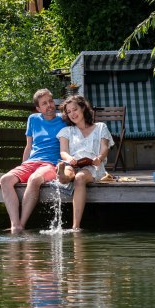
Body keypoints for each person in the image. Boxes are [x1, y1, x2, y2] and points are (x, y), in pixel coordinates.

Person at [0, 88, 64, 233]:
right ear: (38, 108)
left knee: (34, 179)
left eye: (51, 101)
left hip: (51, 164)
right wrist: (23, 165)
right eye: (44, 103)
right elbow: (28, 146)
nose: (49, 105)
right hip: (32, 162)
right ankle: (14, 225)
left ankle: (21, 225)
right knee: (5, 179)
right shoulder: (33, 119)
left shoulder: (64, 119)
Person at [56, 95, 113, 231]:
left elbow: (105, 147)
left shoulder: (100, 127)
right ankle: (63, 176)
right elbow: (63, 152)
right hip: (73, 162)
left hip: (93, 165)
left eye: (74, 109)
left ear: (83, 108)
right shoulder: (66, 131)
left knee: (80, 177)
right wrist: (69, 158)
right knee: (70, 170)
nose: (72, 114)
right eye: (68, 112)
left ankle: (75, 226)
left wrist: (99, 158)